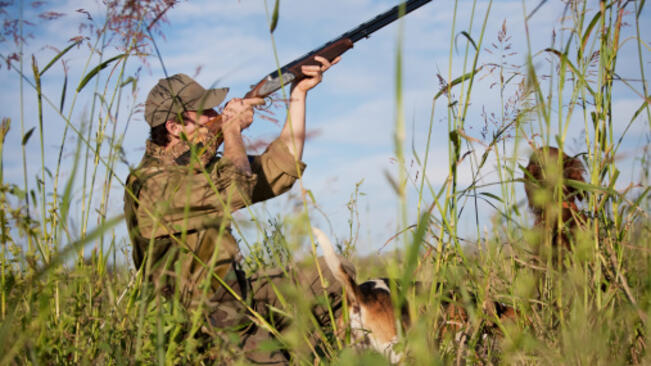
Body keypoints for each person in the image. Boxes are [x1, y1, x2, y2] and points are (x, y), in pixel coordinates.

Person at [123, 56, 342, 363]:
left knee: (336, 275)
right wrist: (232, 131)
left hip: (235, 293)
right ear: (174, 127)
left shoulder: (200, 167)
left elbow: (281, 171)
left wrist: (298, 95)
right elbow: (236, 190)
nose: (217, 114)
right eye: (206, 112)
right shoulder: (152, 185)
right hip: (203, 318)